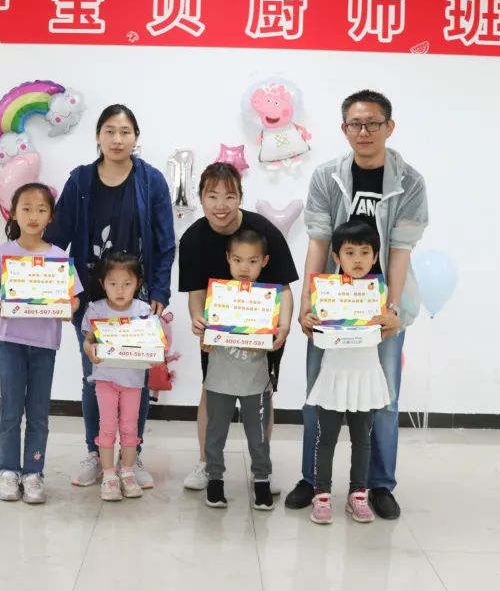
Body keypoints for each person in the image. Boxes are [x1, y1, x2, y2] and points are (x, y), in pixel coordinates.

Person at [284, 90, 429, 520]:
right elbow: (318, 242)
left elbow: (400, 249)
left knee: (383, 397)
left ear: (389, 127)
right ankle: (313, 480)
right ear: (344, 129)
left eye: (373, 123)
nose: (364, 132)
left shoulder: (410, 182)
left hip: (380, 301)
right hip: (332, 302)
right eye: (355, 124)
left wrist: (392, 309)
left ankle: (379, 485)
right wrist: (308, 302)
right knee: (318, 393)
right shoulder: (327, 176)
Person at [45, 104, 176, 490]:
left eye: (125, 132)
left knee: (137, 378)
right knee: (95, 376)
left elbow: (165, 242)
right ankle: (95, 452)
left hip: (138, 301)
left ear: (136, 138)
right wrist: (52, 290)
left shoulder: (151, 181)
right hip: (91, 300)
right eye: (110, 131)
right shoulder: (81, 180)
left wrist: (160, 290)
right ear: (98, 136)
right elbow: (57, 239)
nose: (118, 139)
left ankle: (132, 457)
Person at [177, 162, 296, 493]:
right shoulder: (193, 239)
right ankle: (207, 463)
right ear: (201, 197)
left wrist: (284, 326)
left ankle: (262, 470)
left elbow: (284, 287)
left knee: (261, 395)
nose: (221, 205)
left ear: (240, 197)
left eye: (229, 196)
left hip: (264, 331)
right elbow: (196, 293)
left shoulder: (264, 232)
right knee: (212, 389)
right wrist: (197, 319)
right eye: (212, 196)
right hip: (217, 333)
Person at [0, 183, 82, 505]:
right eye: (26, 209)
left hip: (44, 345)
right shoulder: (3, 252)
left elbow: (74, 298)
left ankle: (33, 472)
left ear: (51, 216)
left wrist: (69, 307)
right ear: (14, 213)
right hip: (9, 342)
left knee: (38, 412)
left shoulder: (59, 257)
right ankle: (9, 470)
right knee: (11, 410)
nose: (33, 216)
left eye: (41, 209)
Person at [301, 220, 396, 524]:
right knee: (326, 438)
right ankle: (322, 494)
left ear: (375, 256)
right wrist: (311, 320)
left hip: (365, 375)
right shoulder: (325, 291)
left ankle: (358, 494)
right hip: (334, 374)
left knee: (362, 439)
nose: (357, 259)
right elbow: (315, 327)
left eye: (365, 252)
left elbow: (388, 328)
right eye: (350, 252)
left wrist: (390, 320)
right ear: (336, 257)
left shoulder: (379, 292)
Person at [201, 228, 276, 511]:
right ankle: (215, 480)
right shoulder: (218, 296)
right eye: (238, 260)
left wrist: (268, 339)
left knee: (258, 437)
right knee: (215, 434)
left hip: (255, 382)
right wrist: (206, 340)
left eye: (252, 261)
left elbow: (273, 339)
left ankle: (262, 480)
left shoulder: (268, 299)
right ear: (228, 259)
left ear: (264, 262)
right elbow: (207, 337)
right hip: (220, 379)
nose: (245, 268)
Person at [81, 253, 164, 501]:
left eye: (127, 284)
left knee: (129, 428)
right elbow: (88, 340)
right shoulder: (96, 309)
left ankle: (127, 472)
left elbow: (156, 346)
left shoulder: (144, 311)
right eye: (113, 283)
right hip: (105, 380)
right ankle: (108, 475)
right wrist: (89, 348)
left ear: (137, 284)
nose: (120, 290)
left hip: (134, 382)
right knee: (106, 427)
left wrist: (156, 356)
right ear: (102, 283)